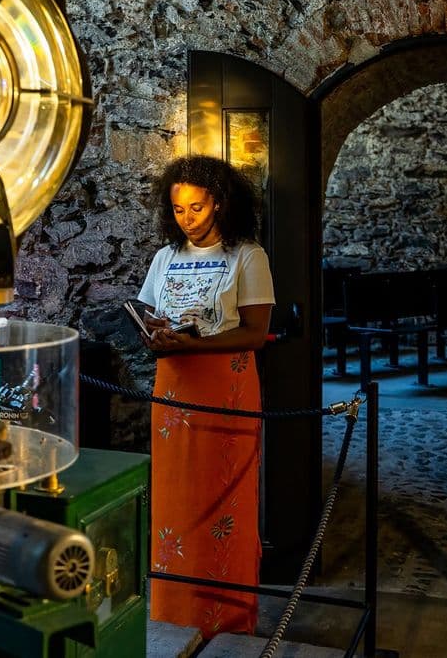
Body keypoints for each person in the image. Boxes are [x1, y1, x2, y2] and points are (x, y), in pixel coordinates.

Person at [137, 155, 274, 637]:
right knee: (175, 501)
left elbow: (256, 333)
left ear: (218, 203)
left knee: (222, 502)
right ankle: (173, 614)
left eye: (196, 208)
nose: (187, 219)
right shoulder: (165, 258)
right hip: (173, 389)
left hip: (225, 391)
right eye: (178, 210)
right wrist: (154, 334)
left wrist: (197, 343)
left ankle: (226, 620)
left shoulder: (247, 256)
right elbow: (151, 315)